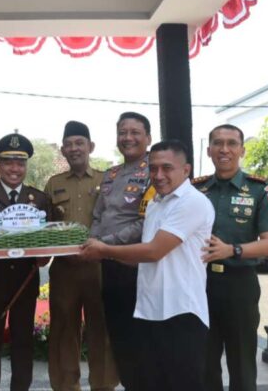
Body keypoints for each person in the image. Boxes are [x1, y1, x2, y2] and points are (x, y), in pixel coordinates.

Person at [80, 140, 214, 391]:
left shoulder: (191, 202)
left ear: (185, 170)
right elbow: (143, 256)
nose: (159, 175)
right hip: (150, 310)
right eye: (153, 169)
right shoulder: (155, 204)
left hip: (181, 311)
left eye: (167, 168)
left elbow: (154, 251)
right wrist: (104, 254)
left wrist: (104, 249)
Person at [195, 124, 268, 391]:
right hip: (200, 286)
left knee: (242, 364)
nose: (225, 149)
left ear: (241, 150)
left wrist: (231, 250)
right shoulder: (195, 190)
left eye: (232, 143)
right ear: (208, 150)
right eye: (218, 143)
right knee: (204, 364)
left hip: (239, 285)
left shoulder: (259, 190)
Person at [0, 132, 51, 391]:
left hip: (25, 283)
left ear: (26, 166)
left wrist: (44, 256)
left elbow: (47, 240)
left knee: (22, 343)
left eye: (20, 163)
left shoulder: (38, 199)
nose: (15, 169)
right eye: (8, 163)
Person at [43, 121, 118, 391]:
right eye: (69, 144)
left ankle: (103, 385)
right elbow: (46, 225)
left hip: (100, 267)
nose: (74, 148)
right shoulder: (53, 184)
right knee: (64, 330)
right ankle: (66, 386)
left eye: (79, 143)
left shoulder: (108, 180)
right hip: (64, 270)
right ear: (62, 150)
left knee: (102, 330)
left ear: (91, 147)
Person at [91, 112, 154, 390]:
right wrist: (94, 241)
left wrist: (109, 244)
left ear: (148, 138)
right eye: (122, 133)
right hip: (108, 265)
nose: (127, 138)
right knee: (118, 337)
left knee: (141, 340)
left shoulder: (157, 170)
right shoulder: (111, 174)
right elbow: (97, 215)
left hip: (136, 267)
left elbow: (147, 222)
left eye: (135, 132)